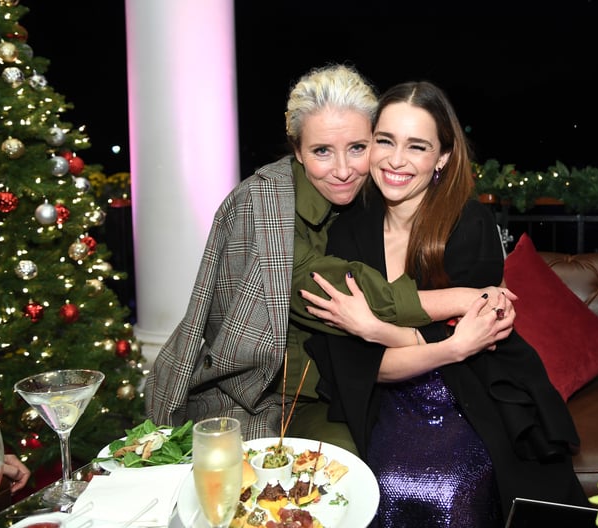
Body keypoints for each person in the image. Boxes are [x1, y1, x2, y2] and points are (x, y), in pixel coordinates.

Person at [144, 64, 506, 451]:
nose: (344, 170)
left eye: (358, 148)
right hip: (248, 397)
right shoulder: (264, 204)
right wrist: (467, 296)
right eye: (321, 151)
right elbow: (334, 286)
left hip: (331, 396)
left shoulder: (374, 199)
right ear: (297, 151)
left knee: (356, 481)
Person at [301, 81, 587, 527]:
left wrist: (376, 330)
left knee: (448, 487)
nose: (396, 160)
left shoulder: (469, 224)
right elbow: (360, 369)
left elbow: (475, 348)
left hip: (467, 396)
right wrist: (447, 344)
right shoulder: (345, 234)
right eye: (385, 141)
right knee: (376, 485)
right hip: (386, 401)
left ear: (443, 158)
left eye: (417, 146)